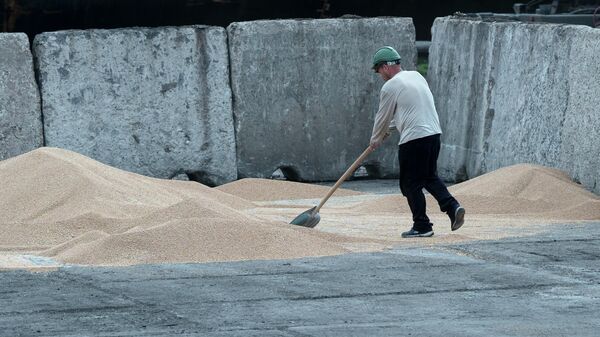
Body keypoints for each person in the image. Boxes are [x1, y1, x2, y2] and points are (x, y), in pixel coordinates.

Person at [368, 46, 465, 238]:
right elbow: (409, 110)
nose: (379, 75)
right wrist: (389, 129)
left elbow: (383, 116)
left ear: (385, 67)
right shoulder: (416, 76)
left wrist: (375, 139)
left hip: (414, 139)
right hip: (433, 134)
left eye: (378, 70)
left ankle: (422, 226)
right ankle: (453, 207)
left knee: (410, 184)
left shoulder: (390, 86)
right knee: (429, 177)